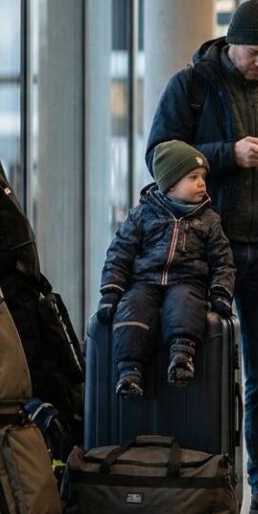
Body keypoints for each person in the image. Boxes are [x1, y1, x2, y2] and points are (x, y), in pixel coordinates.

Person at [144, 0, 258, 514]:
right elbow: (159, 155)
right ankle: (201, 483)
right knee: (198, 370)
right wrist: (226, 155)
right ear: (231, 42)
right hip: (203, 250)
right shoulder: (192, 84)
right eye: (252, 52)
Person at [97, 141, 235, 396]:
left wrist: (220, 293)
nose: (202, 183)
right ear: (170, 183)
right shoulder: (142, 214)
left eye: (203, 177)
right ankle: (130, 371)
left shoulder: (209, 219)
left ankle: (182, 356)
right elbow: (119, 253)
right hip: (145, 282)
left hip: (187, 281)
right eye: (193, 177)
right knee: (133, 308)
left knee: (185, 302)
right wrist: (111, 292)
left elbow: (223, 261)